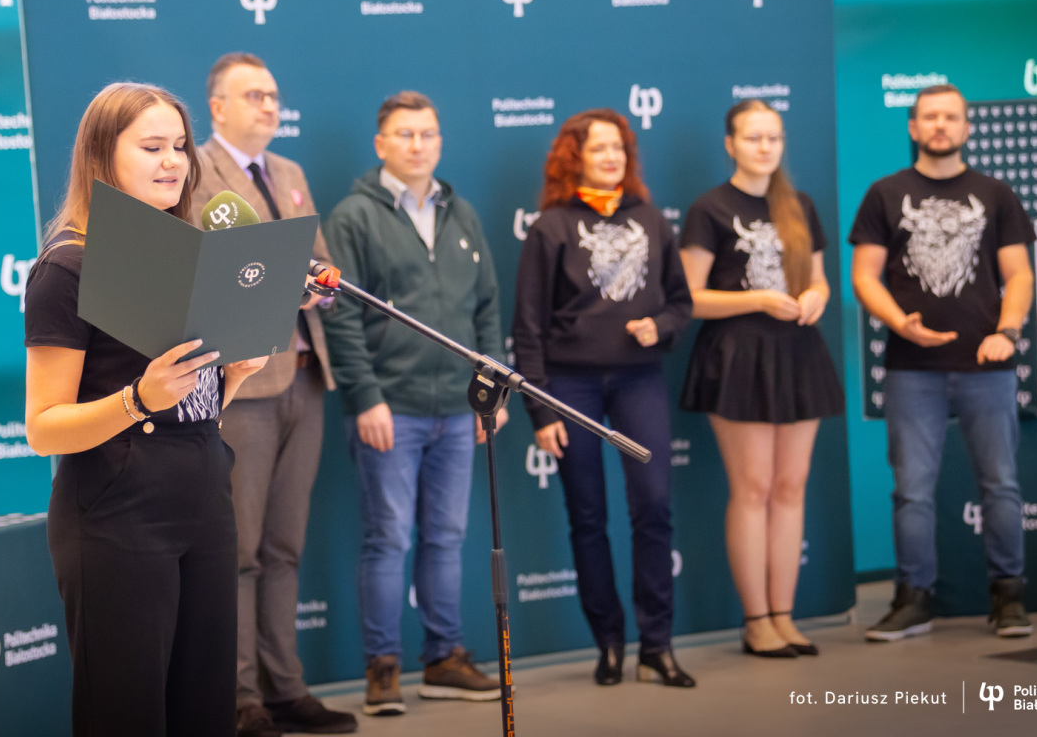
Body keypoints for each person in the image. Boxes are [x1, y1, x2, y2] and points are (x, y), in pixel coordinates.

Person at [23, 82, 270, 737]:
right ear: (102, 155)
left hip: (204, 507)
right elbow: (44, 428)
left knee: (205, 713)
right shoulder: (68, 267)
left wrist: (232, 378)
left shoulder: (189, 258)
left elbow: (188, 415)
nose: (173, 162)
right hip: (115, 521)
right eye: (152, 146)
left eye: (180, 147)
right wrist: (137, 399)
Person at [321, 91, 506, 717]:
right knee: (388, 538)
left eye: (427, 133)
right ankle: (383, 669)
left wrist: (490, 393)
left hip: (457, 408)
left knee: (447, 537)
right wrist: (365, 397)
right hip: (389, 409)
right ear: (381, 144)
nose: (418, 145)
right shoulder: (353, 216)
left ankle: (444, 659)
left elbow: (486, 308)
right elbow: (341, 317)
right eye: (404, 134)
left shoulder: (461, 213)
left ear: (440, 142)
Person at [188, 53, 356, 737]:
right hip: (245, 384)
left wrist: (321, 284)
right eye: (253, 94)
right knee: (241, 551)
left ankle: (287, 689)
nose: (268, 105)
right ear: (217, 107)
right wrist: (281, 279)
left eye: (273, 95)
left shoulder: (289, 172)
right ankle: (239, 700)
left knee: (285, 546)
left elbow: (320, 264)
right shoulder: (195, 173)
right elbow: (204, 274)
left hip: (307, 378)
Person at [513, 109, 696, 688]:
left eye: (618, 148)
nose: (612, 157)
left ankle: (657, 646)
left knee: (654, 507)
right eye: (598, 149)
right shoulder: (551, 227)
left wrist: (659, 326)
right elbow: (527, 328)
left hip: (639, 380)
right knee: (587, 516)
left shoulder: (652, 219)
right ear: (575, 158)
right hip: (570, 388)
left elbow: (681, 302)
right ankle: (610, 644)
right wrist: (540, 409)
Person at [849, 83, 1035, 641]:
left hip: (986, 365)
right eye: (929, 116)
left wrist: (1007, 332)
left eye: (950, 117)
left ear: (966, 127)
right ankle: (913, 600)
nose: (940, 125)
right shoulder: (885, 193)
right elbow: (864, 277)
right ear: (913, 127)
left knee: (1000, 484)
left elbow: (1019, 275)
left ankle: (1009, 598)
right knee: (912, 490)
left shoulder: (996, 194)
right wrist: (898, 322)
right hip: (911, 368)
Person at [678, 99, 843, 659]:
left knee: (791, 486)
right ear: (730, 144)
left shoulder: (800, 204)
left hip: (798, 353)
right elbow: (689, 298)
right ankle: (756, 621)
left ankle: (784, 616)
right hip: (737, 358)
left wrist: (815, 296)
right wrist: (758, 300)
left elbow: (818, 279)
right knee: (752, 489)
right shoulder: (710, 207)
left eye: (774, 137)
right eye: (753, 137)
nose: (765, 147)